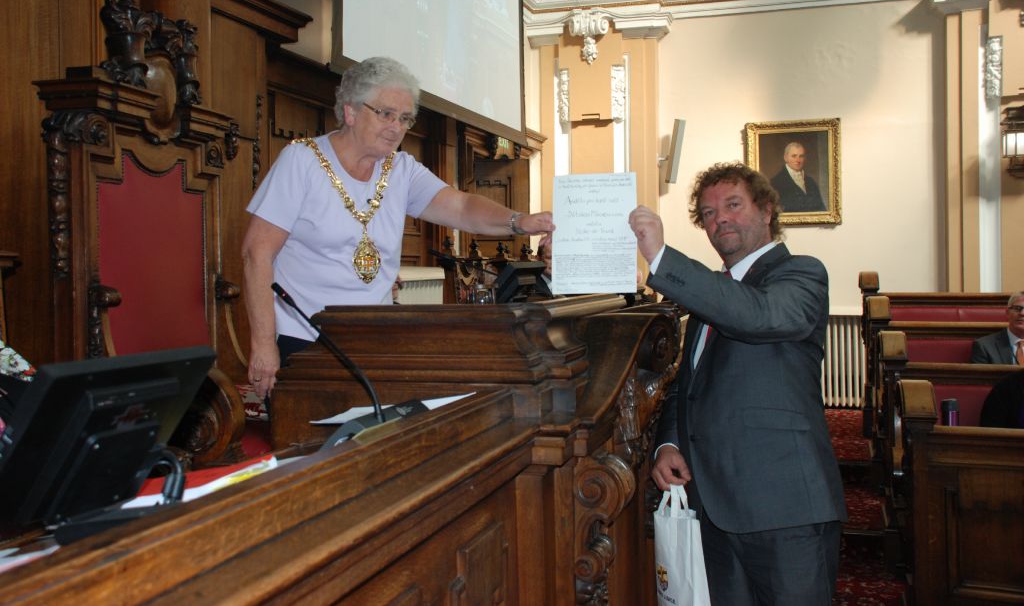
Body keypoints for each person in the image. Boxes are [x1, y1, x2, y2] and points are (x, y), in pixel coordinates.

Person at [242, 57, 553, 400]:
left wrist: (519, 221)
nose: (396, 127)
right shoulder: (301, 161)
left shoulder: (401, 170)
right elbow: (257, 254)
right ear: (350, 111)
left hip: (377, 337)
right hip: (303, 338)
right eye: (386, 114)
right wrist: (263, 345)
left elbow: (462, 207)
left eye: (405, 118)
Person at [629, 162, 846, 604]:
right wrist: (668, 444)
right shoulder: (712, 294)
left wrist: (662, 258)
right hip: (713, 507)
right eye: (709, 213)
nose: (720, 219)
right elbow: (686, 385)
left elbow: (757, 316)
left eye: (733, 205)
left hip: (784, 507)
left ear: (766, 211)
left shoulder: (802, 274)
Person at [973, 292, 1024, 428]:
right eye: (1017, 308)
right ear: (1007, 312)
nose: (1022, 313)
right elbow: (978, 388)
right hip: (1001, 415)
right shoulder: (984, 346)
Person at [770, 141, 825, 213]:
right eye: (794, 156)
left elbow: (822, 210)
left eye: (801, 156)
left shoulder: (811, 182)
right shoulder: (775, 182)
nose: (798, 160)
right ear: (785, 158)